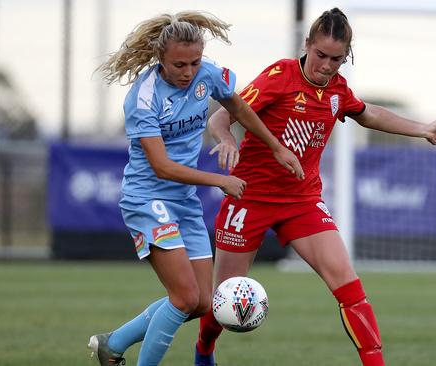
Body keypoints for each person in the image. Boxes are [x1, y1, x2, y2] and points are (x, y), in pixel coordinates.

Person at [194, 7, 436, 366]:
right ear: (307, 45)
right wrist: (228, 141)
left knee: (349, 286)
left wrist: (422, 128)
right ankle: (204, 351)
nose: (327, 66)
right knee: (222, 298)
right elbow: (222, 116)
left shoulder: (338, 90)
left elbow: (369, 113)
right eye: (321, 55)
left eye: (337, 59)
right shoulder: (279, 76)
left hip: (302, 201)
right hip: (249, 198)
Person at [87, 11, 303, 366]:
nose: (188, 72)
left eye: (194, 62)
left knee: (203, 301)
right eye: (179, 65)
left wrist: (276, 146)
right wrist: (220, 180)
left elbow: (240, 108)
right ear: (161, 59)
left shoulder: (209, 73)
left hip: (183, 201)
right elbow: (162, 167)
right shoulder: (143, 97)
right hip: (147, 199)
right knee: (184, 297)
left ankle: (114, 344)